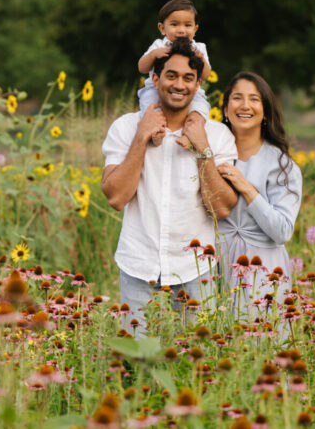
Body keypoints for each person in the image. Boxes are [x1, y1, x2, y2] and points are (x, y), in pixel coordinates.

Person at [102, 37, 238, 336]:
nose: (180, 85)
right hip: (139, 261)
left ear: (198, 85)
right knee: (137, 359)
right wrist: (141, 137)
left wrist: (203, 149)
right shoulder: (126, 127)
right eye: (171, 76)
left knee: (197, 361)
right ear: (155, 78)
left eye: (189, 78)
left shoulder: (217, 135)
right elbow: (116, 197)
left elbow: (223, 208)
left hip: (196, 269)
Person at [215, 71, 302, 331]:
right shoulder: (213, 152)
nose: (244, 105)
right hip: (214, 265)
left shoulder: (281, 165)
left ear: (265, 110)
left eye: (254, 99)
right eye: (237, 98)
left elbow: (282, 231)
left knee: (260, 346)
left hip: (262, 271)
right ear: (226, 107)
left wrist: (247, 189)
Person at [136, 0, 212, 122]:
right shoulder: (158, 45)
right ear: (162, 28)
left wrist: (201, 58)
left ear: (195, 29)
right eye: (174, 24)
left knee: (201, 109)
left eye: (187, 25)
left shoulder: (199, 48)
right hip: (155, 89)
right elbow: (142, 68)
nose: (181, 30)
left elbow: (205, 76)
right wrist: (153, 55)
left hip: (192, 92)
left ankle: (191, 133)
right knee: (149, 108)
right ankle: (155, 129)